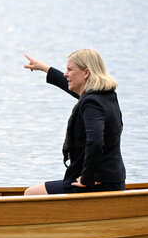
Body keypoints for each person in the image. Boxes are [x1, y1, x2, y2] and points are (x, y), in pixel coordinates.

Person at [22, 49, 125, 195]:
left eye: (70, 70)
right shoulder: (106, 96)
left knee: (31, 193)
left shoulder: (92, 103)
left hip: (96, 184)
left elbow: (95, 142)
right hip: (112, 180)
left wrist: (86, 179)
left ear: (86, 73)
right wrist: (45, 68)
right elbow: (72, 86)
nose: (66, 74)